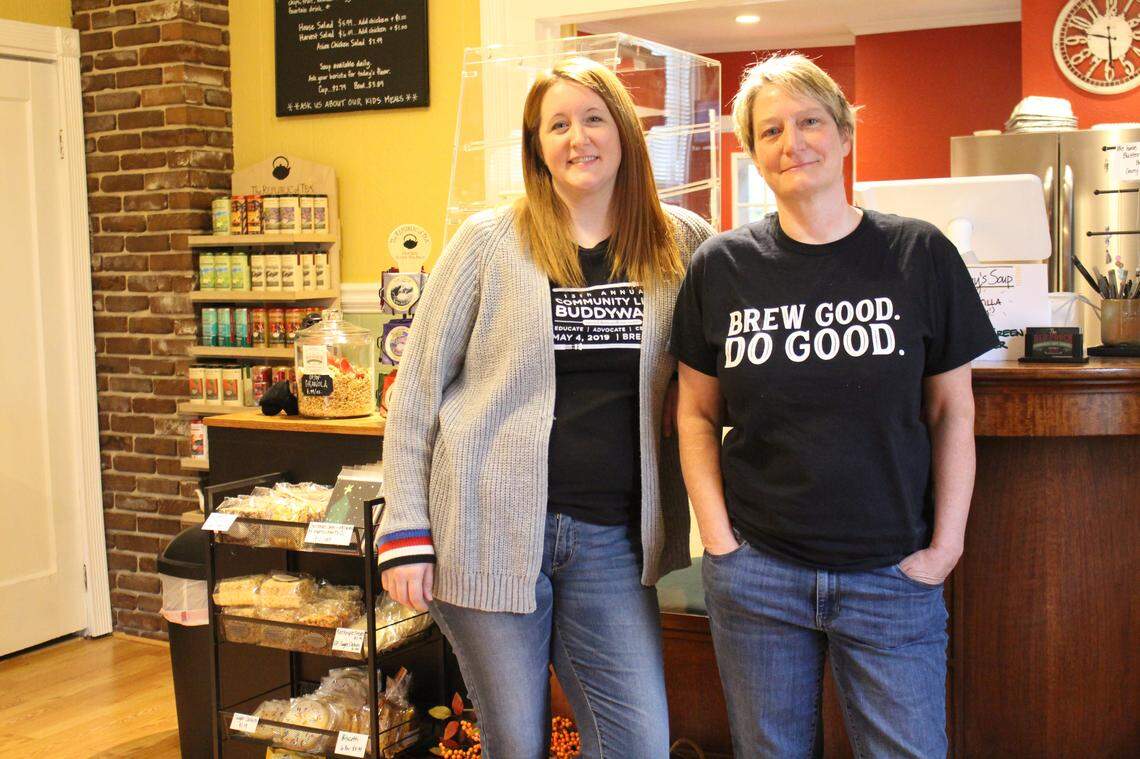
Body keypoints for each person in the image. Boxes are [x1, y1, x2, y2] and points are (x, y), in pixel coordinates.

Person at [377, 57, 714, 759]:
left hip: (610, 541)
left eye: (593, 118)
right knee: (518, 744)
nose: (577, 137)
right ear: (536, 146)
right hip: (484, 529)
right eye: (556, 125)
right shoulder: (488, 241)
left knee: (637, 744)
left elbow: (732, 343)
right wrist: (404, 530)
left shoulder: (679, 241)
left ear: (623, 131)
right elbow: (416, 391)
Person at [670, 53, 999, 758]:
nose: (793, 143)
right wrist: (720, 542)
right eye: (771, 131)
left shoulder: (919, 253)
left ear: (845, 135)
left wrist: (947, 545)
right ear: (753, 152)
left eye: (811, 122)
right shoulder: (721, 266)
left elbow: (953, 412)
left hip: (890, 571)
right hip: (759, 572)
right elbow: (695, 412)